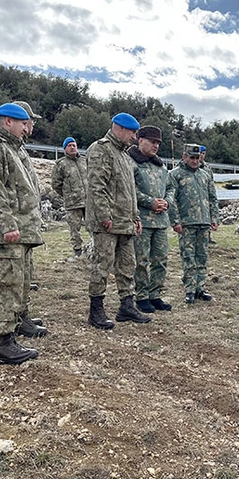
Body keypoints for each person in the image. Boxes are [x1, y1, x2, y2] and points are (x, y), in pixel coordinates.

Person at [0, 103, 44, 365]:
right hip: (6, 233)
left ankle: (13, 329)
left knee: (18, 283)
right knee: (5, 285)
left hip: (20, 231)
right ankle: (3, 345)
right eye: (24, 123)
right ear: (8, 122)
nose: (27, 128)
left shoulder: (11, 148)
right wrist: (7, 224)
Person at [85, 113, 151, 329]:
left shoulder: (124, 155)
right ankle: (96, 310)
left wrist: (136, 217)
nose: (134, 137)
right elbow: (97, 186)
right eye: (131, 132)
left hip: (126, 222)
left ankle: (126, 306)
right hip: (108, 223)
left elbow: (130, 191)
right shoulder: (100, 149)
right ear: (119, 128)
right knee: (102, 266)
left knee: (127, 266)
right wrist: (104, 216)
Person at [10, 101, 48, 334]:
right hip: (16, 225)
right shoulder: (5, 148)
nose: (31, 125)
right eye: (27, 121)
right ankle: (14, 320)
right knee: (13, 279)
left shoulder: (20, 148)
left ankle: (22, 315)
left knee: (25, 275)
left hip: (26, 225)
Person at [129, 125, 174, 313]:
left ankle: (155, 294)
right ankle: (141, 296)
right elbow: (130, 189)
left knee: (161, 260)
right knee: (141, 260)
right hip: (142, 220)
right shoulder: (131, 162)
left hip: (161, 221)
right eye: (152, 142)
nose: (155, 146)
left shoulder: (160, 166)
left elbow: (171, 188)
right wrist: (150, 202)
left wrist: (167, 203)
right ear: (141, 140)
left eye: (158, 143)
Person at [169, 144, 219, 304]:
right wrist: (175, 221)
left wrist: (214, 218)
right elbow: (171, 199)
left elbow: (212, 198)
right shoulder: (175, 175)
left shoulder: (205, 175)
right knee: (188, 257)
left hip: (204, 222)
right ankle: (189, 290)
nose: (195, 161)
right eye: (192, 157)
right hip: (186, 223)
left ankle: (200, 288)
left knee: (202, 257)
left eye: (197, 158)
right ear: (184, 157)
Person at [51, 136, 88, 257]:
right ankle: (77, 250)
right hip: (73, 203)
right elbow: (56, 184)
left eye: (74, 145)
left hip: (88, 201)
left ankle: (94, 248)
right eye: (69, 146)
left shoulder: (84, 160)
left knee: (93, 226)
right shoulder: (60, 164)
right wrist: (68, 194)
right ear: (64, 148)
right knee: (74, 228)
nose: (72, 147)